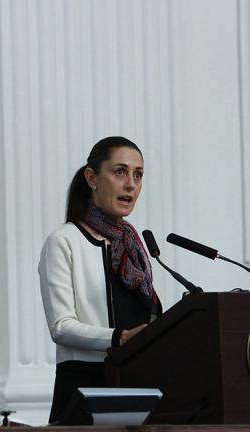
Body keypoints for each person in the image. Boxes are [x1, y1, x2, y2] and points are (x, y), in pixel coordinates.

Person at [38, 136, 161, 424]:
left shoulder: (134, 245)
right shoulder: (64, 241)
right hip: (85, 387)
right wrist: (119, 338)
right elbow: (61, 327)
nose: (131, 184)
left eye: (138, 175)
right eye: (120, 172)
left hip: (136, 383)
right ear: (92, 178)